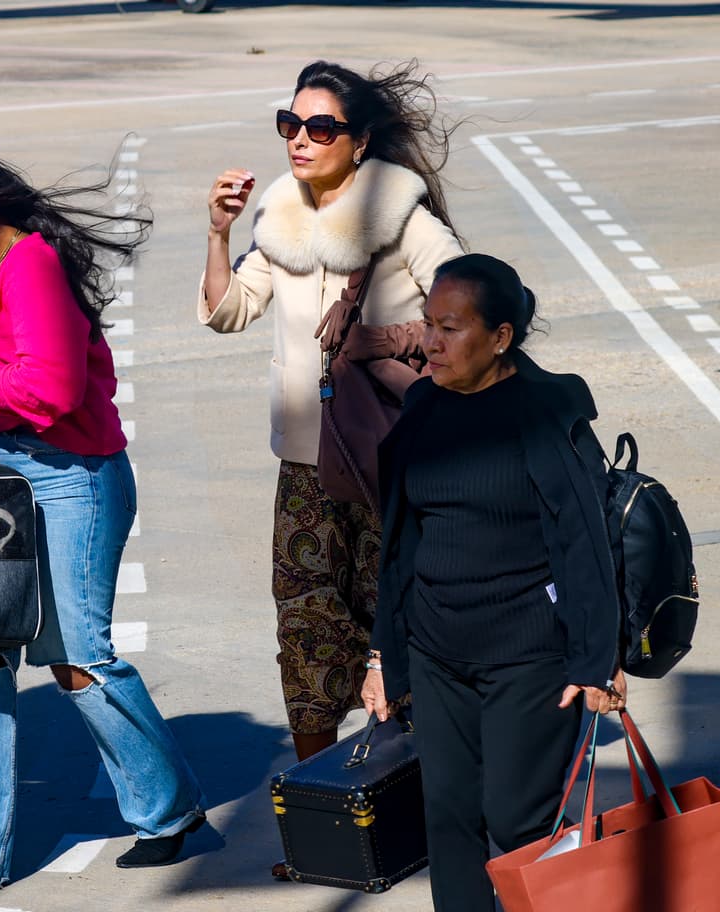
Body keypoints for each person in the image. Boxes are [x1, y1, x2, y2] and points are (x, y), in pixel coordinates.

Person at [0, 142, 206, 901]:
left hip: (74, 480)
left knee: (78, 655)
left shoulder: (31, 262)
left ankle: (169, 812)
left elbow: (56, 386)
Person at [199, 58, 464, 819]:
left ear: (359, 141)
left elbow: (469, 309)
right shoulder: (278, 215)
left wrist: (385, 338)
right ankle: (325, 810)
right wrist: (218, 233)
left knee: (402, 629)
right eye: (291, 125)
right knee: (306, 632)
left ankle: (419, 802)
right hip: (306, 466)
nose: (301, 141)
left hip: (393, 465)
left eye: (321, 128)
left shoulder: (405, 222)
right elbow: (229, 310)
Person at [360, 253, 630, 912]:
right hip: (437, 653)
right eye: (428, 324)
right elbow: (399, 544)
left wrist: (598, 659)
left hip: (528, 658)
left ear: (501, 337)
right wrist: (384, 655)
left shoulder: (541, 413)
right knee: (448, 818)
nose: (430, 343)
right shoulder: (422, 406)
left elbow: (584, 541)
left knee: (516, 821)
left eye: (450, 328)